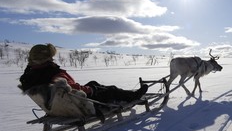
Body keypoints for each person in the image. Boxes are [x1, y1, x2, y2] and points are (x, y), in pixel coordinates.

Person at [19, 43, 148, 104]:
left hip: (58, 102)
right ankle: (133, 96)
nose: (52, 59)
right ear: (46, 58)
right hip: (79, 100)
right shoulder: (53, 74)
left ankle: (118, 93)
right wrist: (90, 90)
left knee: (94, 83)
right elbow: (70, 89)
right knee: (111, 89)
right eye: (50, 57)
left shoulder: (31, 75)